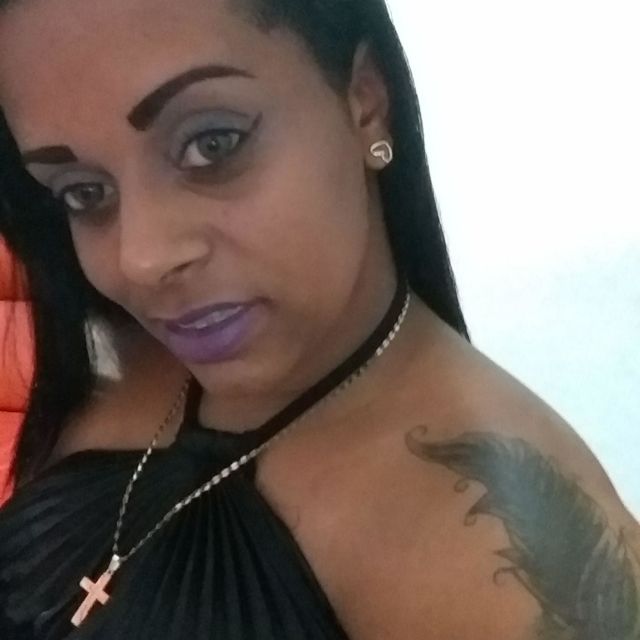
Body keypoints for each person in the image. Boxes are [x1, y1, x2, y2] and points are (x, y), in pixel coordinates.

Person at [0, 0, 637, 637]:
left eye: (212, 145)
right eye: (84, 192)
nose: (141, 260)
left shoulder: (507, 569)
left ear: (365, 101)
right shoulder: (124, 355)